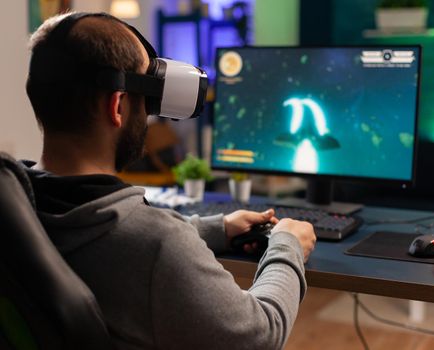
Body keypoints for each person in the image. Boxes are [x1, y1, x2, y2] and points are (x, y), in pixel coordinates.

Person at [22, 11, 317, 350]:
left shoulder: (17, 204)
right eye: (146, 101)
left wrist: (213, 229)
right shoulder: (158, 246)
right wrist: (287, 246)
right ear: (118, 106)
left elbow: (116, 241)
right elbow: (260, 334)